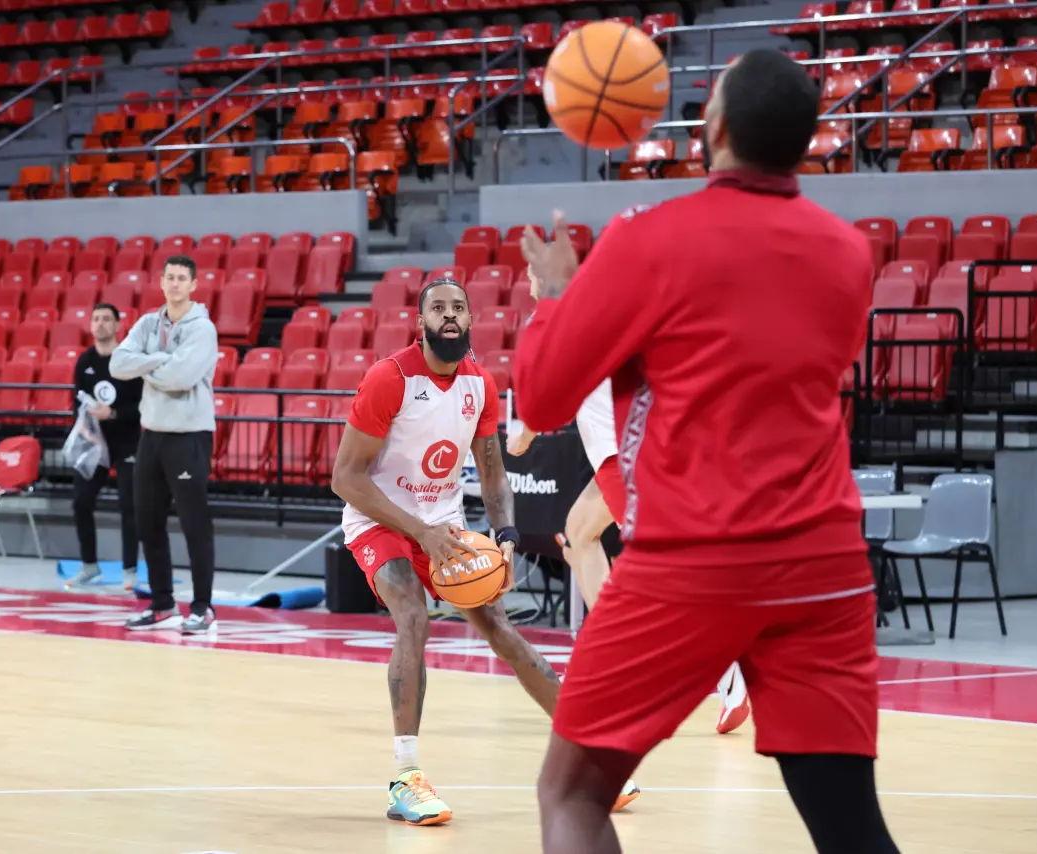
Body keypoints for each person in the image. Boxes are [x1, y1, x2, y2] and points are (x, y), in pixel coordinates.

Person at [515, 49, 902, 854]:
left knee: (571, 793)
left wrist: (555, 295)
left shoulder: (648, 240)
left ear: (714, 128)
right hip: (824, 567)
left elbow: (544, 399)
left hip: (696, 558)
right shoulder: (847, 252)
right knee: (849, 824)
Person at [330, 278, 639, 828]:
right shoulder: (390, 378)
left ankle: (590, 762)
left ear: (472, 321)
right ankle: (406, 778)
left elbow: (494, 475)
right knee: (413, 615)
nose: (449, 315)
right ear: (420, 323)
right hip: (380, 521)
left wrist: (507, 536)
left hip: (444, 527)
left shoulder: (480, 385)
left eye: (458, 307)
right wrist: (420, 532)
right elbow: (345, 479)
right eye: (438, 308)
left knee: (503, 632)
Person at [507, 272, 751, 735]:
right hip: (639, 447)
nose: (531, 275)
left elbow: (549, 394)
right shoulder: (602, 312)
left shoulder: (557, 319)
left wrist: (525, 435)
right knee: (579, 533)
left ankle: (728, 671)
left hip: (624, 458)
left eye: (537, 268)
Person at [110, 255, 220, 635]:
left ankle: (203, 608)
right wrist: (161, 360)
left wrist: (145, 365)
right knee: (148, 521)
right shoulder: (147, 323)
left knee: (194, 523)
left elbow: (182, 378)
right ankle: (162, 604)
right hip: (152, 434)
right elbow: (118, 365)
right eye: (169, 277)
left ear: (193, 284)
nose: (174, 283)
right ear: (161, 282)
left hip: (189, 435)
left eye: (181, 278)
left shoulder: (203, 329)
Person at [65, 303, 144, 591]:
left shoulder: (129, 362)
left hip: (126, 441)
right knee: (81, 502)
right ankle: (89, 566)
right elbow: (76, 400)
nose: (100, 324)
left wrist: (113, 414)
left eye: (106, 319)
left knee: (129, 504)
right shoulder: (84, 361)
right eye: (96, 319)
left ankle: (129, 570)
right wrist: (85, 426)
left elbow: (143, 406)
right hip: (95, 442)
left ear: (117, 325)